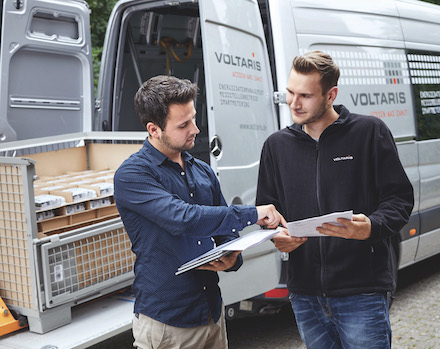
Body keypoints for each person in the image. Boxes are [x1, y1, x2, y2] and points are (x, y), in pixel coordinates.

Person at [113, 75, 286, 349]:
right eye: (183, 124)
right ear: (154, 129)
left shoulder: (202, 171)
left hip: (211, 314)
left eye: (193, 118)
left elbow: (225, 233)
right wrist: (253, 213)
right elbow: (183, 219)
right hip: (168, 323)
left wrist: (232, 259)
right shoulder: (133, 175)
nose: (195, 129)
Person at [256, 51, 414, 348]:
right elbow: (269, 211)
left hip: (362, 291)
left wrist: (370, 226)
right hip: (305, 295)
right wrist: (277, 236)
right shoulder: (276, 147)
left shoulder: (369, 132)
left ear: (331, 94)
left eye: (305, 95)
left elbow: (400, 199)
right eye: (290, 92)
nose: (294, 102)